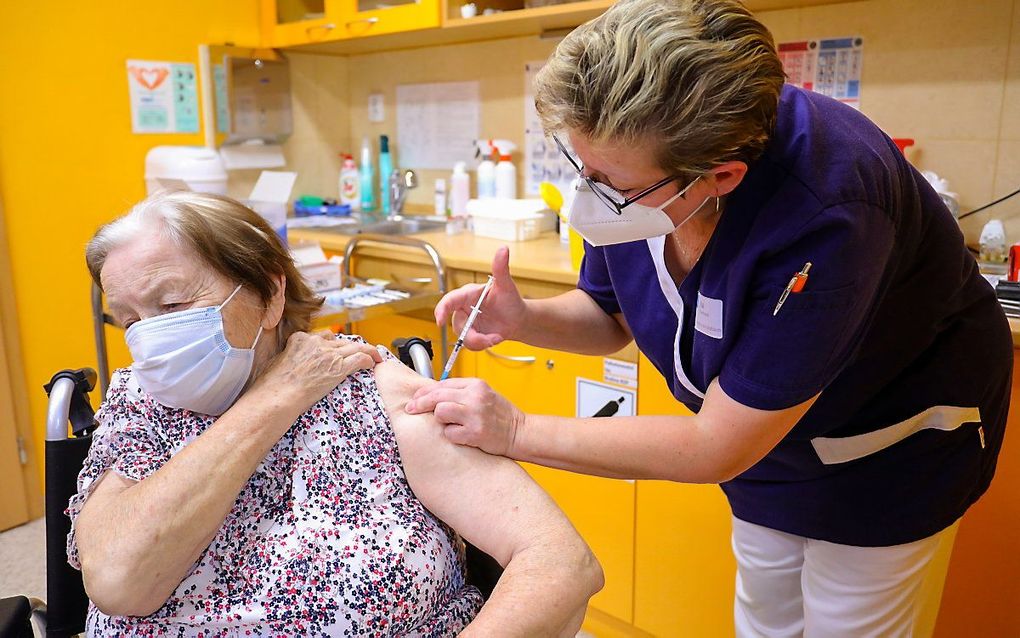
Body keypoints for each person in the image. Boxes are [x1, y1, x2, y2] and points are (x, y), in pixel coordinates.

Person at [403, 0, 1012, 635]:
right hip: (761, 437)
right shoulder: (642, 172)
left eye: (608, 180)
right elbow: (611, 317)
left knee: (847, 621)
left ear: (718, 178)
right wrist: (525, 317)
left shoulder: (831, 207)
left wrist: (515, 430)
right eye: (582, 166)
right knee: (767, 610)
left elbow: (712, 446)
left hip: (886, 446)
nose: (589, 190)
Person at [68, 190, 603, 636]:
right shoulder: (142, 402)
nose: (151, 340)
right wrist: (275, 399)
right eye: (130, 319)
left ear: (271, 294)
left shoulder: (369, 387)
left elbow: (559, 561)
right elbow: (119, 581)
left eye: (173, 305)